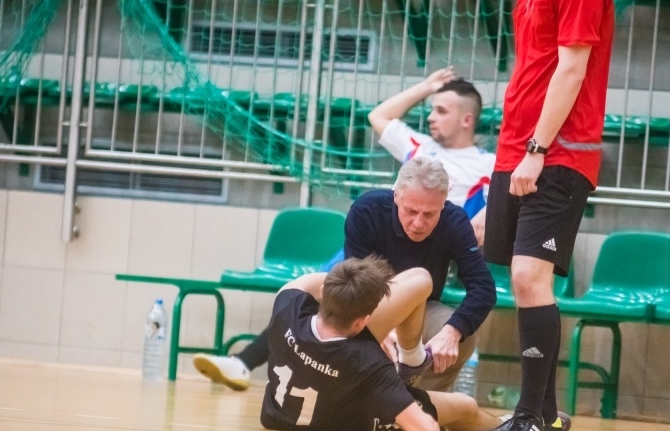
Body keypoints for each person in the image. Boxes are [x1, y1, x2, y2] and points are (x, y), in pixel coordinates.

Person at [194, 157, 496, 394]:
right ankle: (250, 364)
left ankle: (421, 401)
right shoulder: (367, 210)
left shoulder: (455, 222)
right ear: (396, 197)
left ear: (443, 204)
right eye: (410, 211)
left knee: (462, 333)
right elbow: (357, 283)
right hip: (366, 302)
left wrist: (452, 332)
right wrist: (385, 326)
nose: (418, 222)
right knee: (313, 300)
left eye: (429, 214)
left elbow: (483, 288)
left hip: (419, 311)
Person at [474, 0, 615, 431]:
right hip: (517, 148)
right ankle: (548, 417)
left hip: (556, 152)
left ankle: (529, 415)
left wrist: (537, 148)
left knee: (529, 276)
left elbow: (573, 69)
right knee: (522, 280)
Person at [202, 255, 504, 431]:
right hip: (361, 412)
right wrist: (390, 385)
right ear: (363, 322)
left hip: (277, 418)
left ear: (326, 296)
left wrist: (342, 290)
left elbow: (309, 284)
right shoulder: (368, 361)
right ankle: (504, 425)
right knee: (464, 405)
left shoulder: (286, 310)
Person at [368, 67, 496, 246]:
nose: (430, 117)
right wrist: (427, 86)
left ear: (466, 120)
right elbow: (378, 116)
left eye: (441, 111)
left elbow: (514, 198)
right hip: (383, 237)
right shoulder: (420, 145)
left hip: (433, 248)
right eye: (432, 110)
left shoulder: (488, 164)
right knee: (332, 272)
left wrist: (489, 212)